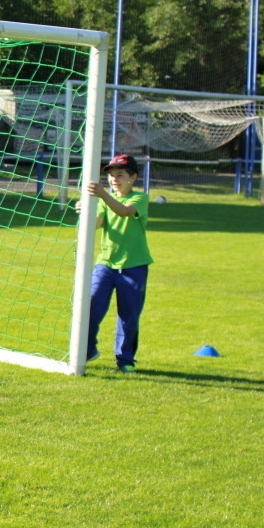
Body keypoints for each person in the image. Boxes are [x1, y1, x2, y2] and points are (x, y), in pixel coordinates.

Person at [77, 153, 154, 372]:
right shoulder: (103, 201)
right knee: (90, 306)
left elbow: (124, 211)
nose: (114, 179)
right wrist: (86, 213)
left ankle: (125, 360)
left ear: (133, 177)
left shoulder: (139, 198)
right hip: (106, 265)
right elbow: (95, 224)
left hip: (134, 266)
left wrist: (102, 194)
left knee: (128, 316)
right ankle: (88, 349)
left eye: (120, 175)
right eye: (111, 175)